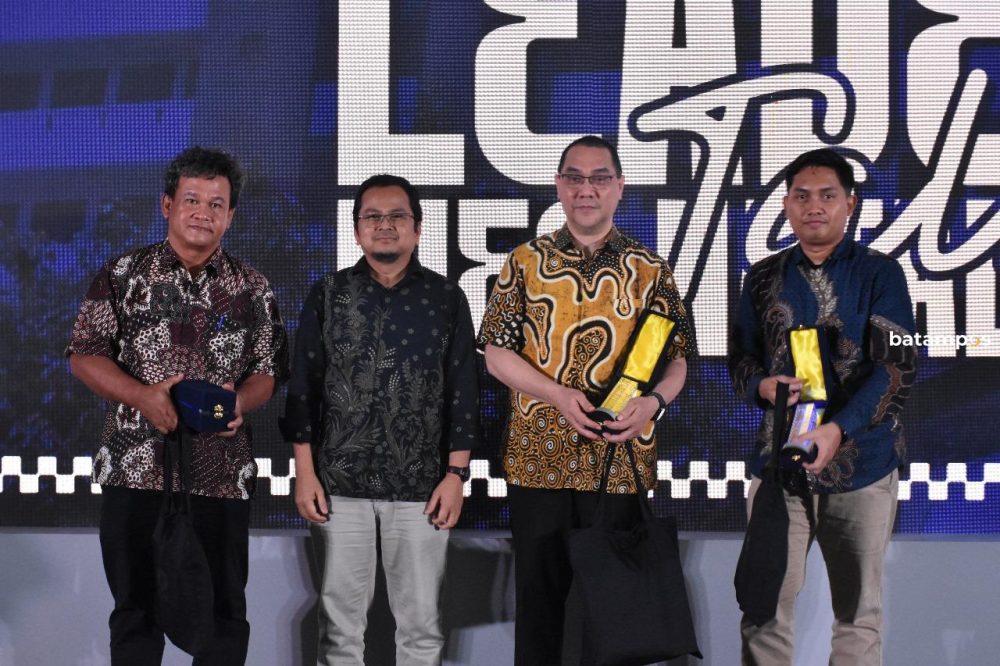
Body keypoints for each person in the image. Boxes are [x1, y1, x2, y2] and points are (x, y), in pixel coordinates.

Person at [478, 135, 696, 664]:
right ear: (559, 186)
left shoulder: (650, 269)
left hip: (618, 462)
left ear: (620, 187)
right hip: (538, 460)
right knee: (540, 607)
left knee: (616, 615)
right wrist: (556, 394)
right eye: (574, 178)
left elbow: (678, 359)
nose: (586, 189)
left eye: (599, 178)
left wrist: (654, 403)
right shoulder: (525, 261)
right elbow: (495, 354)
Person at [67, 147, 289, 664]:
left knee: (223, 617)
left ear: (230, 216)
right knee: (135, 617)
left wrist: (239, 401)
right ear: (167, 204)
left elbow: (268, 371)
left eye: (216, 204)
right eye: (192, 200)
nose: (203, 213)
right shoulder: (124, 275)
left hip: (221, 472)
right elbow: (83, 355)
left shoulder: (252, 287)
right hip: (134, 468)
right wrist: (142, 396)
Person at [728, 148, 917, 665]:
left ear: (850, 204)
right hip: (779, 466)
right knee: (764, 608)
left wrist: (838, 430)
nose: (814, 206)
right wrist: (762, 386)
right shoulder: (761, 278)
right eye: (802, 196)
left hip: (864, 464)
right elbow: (740, 358)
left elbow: (897, 368)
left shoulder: (881, 274)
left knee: (858, 616)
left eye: (828, 195)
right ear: (786, 205)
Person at [282, 174, 480, 665]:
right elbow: (303, 386)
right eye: (373, 216)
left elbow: (463, 390)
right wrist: (304, 472)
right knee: (339, 631)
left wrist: (455, 475)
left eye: (397, 216)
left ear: (418, 228)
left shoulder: (446, 298)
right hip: (338, 483)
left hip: (422, 486)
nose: (385, 225)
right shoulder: (329, 293)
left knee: (421, 629)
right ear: (356, 231)